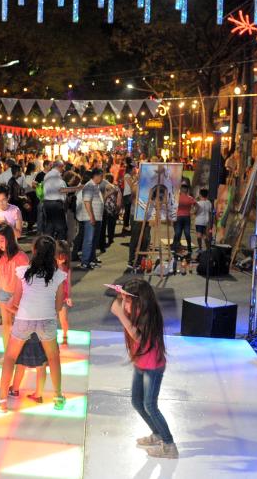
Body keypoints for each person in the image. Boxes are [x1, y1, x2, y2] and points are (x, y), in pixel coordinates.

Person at [0, 236, 67, 413]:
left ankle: (2, 401)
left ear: (35, 251)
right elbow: (59, 306)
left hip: (24, 319)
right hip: (47, 320)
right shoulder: (59, 275)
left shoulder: (24, 272)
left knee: (10, 357)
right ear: (53, 253)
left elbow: (15, 301)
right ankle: (58, 397)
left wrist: (18, 310)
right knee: (53, 358)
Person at [108, 279, 178, 459]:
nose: (125, 304)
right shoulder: (135, 308)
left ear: (139, 300)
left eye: (128, 300)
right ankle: (157, 434)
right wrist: (121, 299)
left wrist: (120, 314)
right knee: (137, 402)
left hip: (152, 367)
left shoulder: (149, 314)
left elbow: (138, 337)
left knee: (150, 405)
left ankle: (169, 445)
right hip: (140, 363)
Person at [0, 223, 29, 355]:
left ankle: (21, 353)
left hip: (19, 295)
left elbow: (24, 280)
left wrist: (16, 297)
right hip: (4, 293)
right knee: (6, 324)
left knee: (20, 325)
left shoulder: (21, 257)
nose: (0, 244)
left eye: (2, 240)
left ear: (10, 238)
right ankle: (8, 354)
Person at [76, 169, 105, 270]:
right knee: (89, 240)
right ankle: (85, 262)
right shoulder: (89, 186)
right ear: (96, 176)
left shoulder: (95, 186)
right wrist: (91, 217)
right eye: (101, 176)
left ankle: (92, 259)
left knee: (94, 240)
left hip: (97, 217)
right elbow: (87, 202)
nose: (102, 178)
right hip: (91, 218)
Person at [9, 333, 48, 404]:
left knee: (21, 364)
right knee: (41, 366)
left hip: (26, 336)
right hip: (43, 337)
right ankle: (38, 395)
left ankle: (14, 389)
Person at [40, 160, 72, 241]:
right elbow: (61, 190)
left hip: (47, 203)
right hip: (56, 204)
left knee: (49, 227)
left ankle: (48, 247)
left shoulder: (47, 175)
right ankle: (59, 248)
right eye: (63, 167)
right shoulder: (56, 175)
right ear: (60, 166)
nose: (63, 169)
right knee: (61, 229)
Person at [56, 240, 74, 346]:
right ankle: (51, 338)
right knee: (52, 320)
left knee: (64, 319)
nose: (62, 259)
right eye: (59, 256)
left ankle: (65, 335)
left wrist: (69, 296)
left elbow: (68, 283)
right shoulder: (51, 267)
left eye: (64, 256)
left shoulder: (66, 269)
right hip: (52, 298)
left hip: (63, 297)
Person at [172, 185, 195, 255]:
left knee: (178, 232)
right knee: (187, 233)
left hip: (178, 217)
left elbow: (172, 205)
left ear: (181, 190)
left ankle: (175, 248)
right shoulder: (190, 198)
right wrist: (193, 212)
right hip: (186, 217)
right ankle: (189, 248)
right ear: (187, 190)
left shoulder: (177, 197)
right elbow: (196, 205)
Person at [102, 174, 122, 251]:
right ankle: (110, 238)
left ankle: (102, 240)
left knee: (103, 226)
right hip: (113, 208)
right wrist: (118, 208)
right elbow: (119, 200)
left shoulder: (103, 188)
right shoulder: (116, 188)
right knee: (111, 225)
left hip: (104, 208)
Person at [121, 163, 136, 233]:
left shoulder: (132, 176)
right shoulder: (127, 175)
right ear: (130, 169)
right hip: (127, 195)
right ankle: (125, 226)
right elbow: (131, 185)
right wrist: (136, 179)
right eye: (134, 169)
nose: (135, 170)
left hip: (131, 194)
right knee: (127, 211)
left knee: (129, 211)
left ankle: (126, 226)